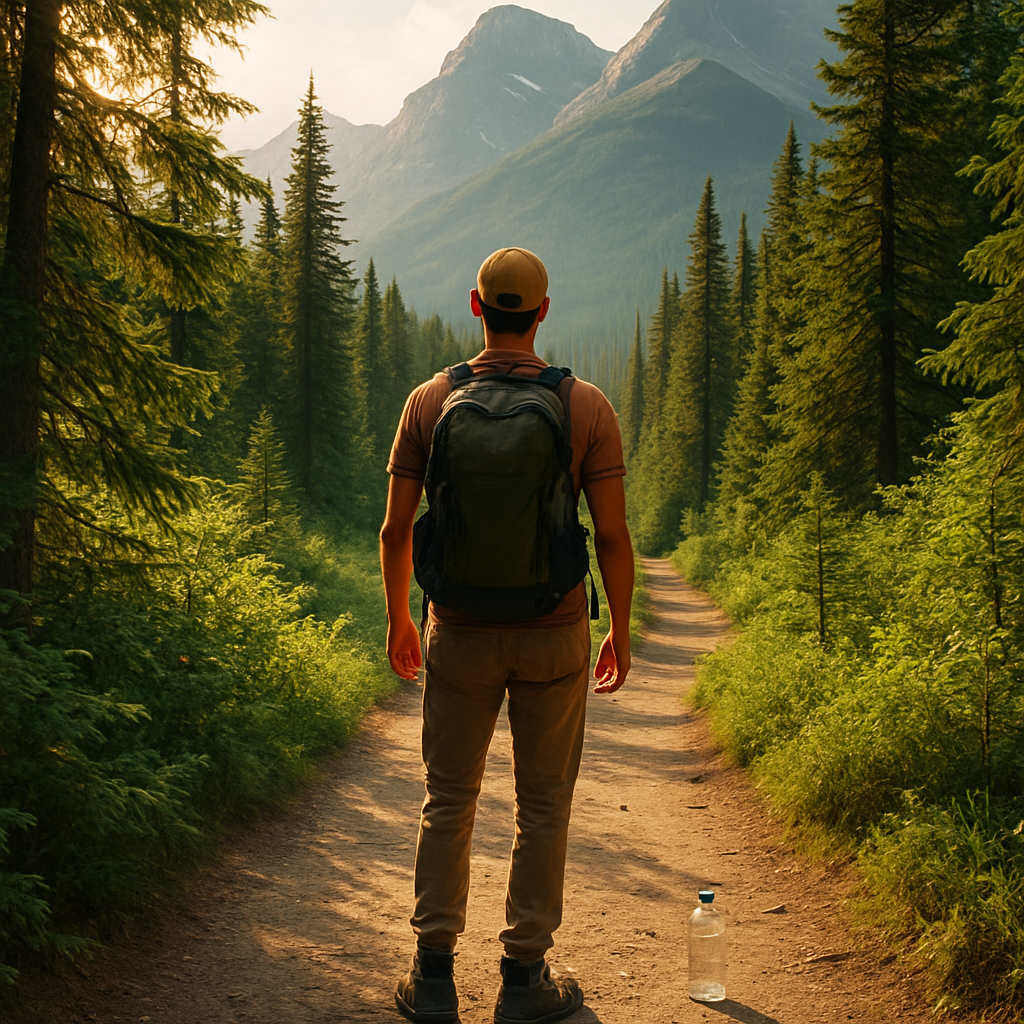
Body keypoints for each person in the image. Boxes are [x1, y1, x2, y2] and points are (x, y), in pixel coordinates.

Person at [380, 247, 634, 1024]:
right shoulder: (584, 405)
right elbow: (613, 539)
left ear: (476, 305)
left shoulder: (430, 400)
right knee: (543, 804)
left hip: (456, 629)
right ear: (544, 311)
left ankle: (431, 975)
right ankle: (524, 979)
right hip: (554, 632)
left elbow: (395, 530)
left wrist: (399, 619)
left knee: (448, 798)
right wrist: (618, 630)